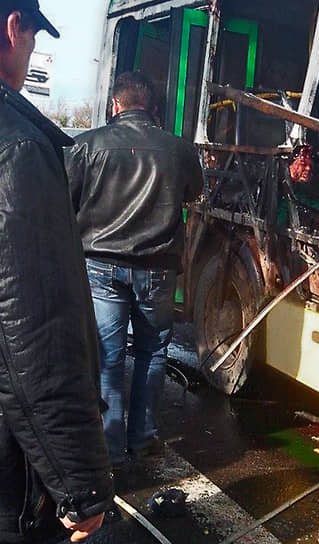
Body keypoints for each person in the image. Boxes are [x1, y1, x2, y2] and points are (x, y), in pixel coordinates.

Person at [0, 2, 114, 542]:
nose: (30, 53)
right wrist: (79, 482)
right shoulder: (17, 150)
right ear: (13, 27)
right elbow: (33, 330)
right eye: (31, 38)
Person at [65, 72, 202, 467]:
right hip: (158, 267)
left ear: (115, 105)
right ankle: (142, 438)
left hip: (102, 266)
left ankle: (109, 446)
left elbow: (67, 198)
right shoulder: (179, 150)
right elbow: (193, 193)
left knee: (107, 358)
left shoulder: (87, 145)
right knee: (151, 355)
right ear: (153, 109)